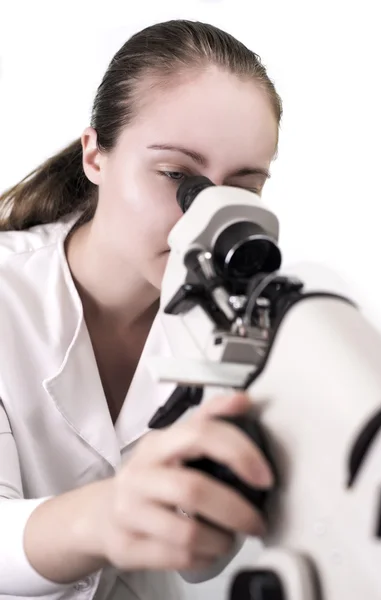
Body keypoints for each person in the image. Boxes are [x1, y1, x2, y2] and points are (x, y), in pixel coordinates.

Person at [0, 19, 282, 600]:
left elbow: (199, 565)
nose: (203, 221)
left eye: (241, 191)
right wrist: (106, 515)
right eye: (177, 177)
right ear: (95, 156)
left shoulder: (245, 325)